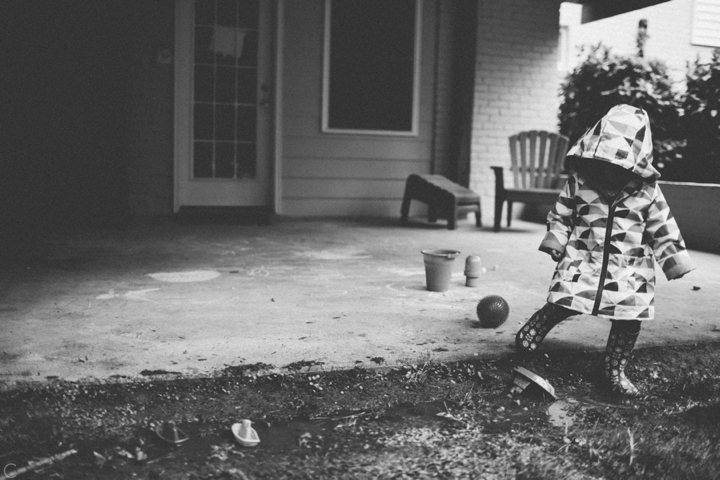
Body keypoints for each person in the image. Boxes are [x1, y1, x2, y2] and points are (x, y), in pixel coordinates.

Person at [515, 104, 694, 396]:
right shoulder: (580, 182)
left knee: (629, 318)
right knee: (564, 299)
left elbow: (663, 227)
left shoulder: (647, 193)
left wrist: (674, 260)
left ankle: (614, 369)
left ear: (635, 162)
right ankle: (535, 327)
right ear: (595, 154)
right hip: (583, 256)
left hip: (630, 267)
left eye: (619, 163)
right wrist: (556, 240)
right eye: (606, 160)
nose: (611, 171)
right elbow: (561, 215)